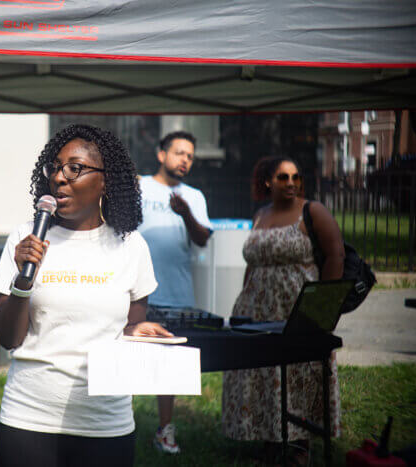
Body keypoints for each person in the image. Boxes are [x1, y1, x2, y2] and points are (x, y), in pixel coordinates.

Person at [0, 124, 174, 467]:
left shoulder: (131, 246)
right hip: (29, 418)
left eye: (75, 168)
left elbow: (131, 327)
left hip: (105, 423)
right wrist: (23, 280)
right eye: (55, 167)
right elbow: (8, 337)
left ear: (106, 180)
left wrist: (139, 333)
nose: (60, 177)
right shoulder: (25, 238)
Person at [221, 156, 345, 465]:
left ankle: (300, 444)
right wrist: (242, 304)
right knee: (262, 372)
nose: (291, 182)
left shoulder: (312, 211)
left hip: (296, 304)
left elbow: (335, 254)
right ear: (268, 181)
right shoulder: (260, 215)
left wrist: (322, 310)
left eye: (295, 177)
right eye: (282, 177)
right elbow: (253, 263)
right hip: (256, 307)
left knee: (299, 372)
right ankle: (269, 438)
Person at [137, 131, 212, 454]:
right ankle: (113, 427)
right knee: (125, 359)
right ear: (160, 154)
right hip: (136, 294)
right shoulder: (139, 187)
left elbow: (202, 239)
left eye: (190, 156)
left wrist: (185, 214)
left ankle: (165, 430)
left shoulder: (194, 196)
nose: (184, 160)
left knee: (168, 366)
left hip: (176, 293)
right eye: (179, 153)